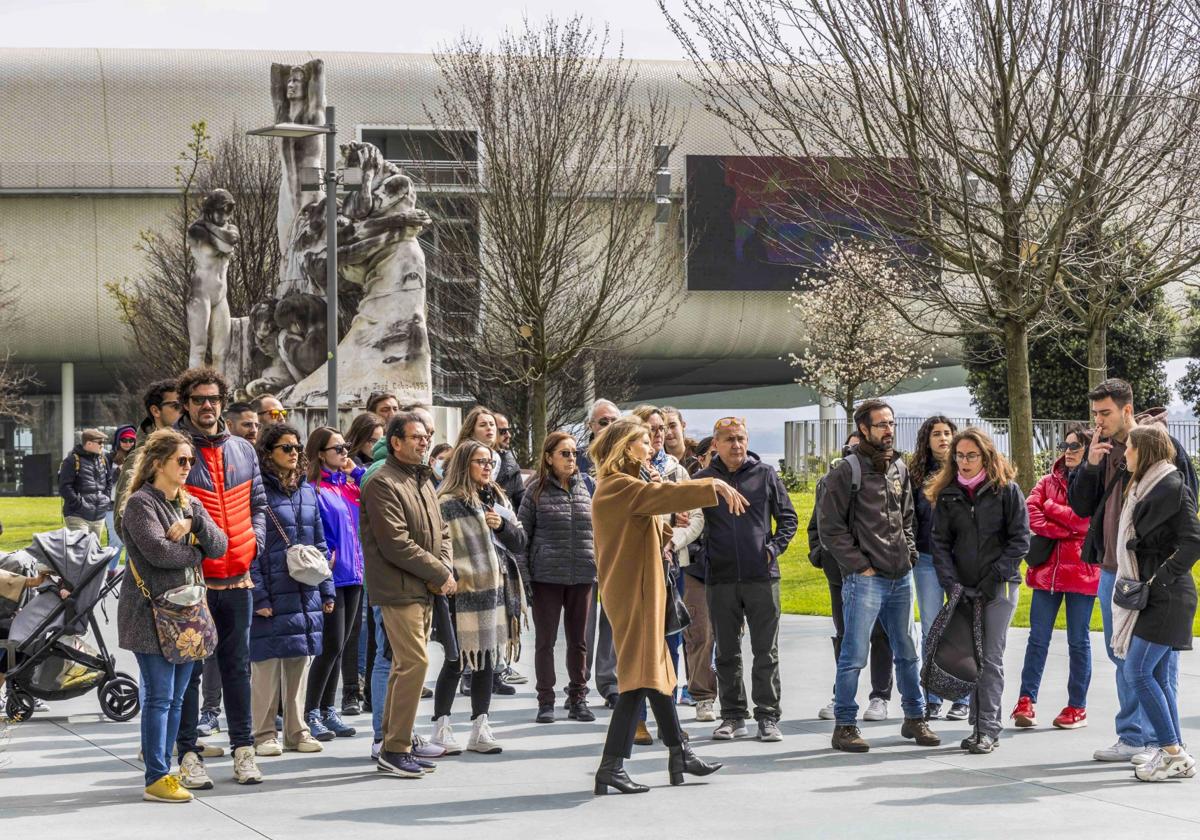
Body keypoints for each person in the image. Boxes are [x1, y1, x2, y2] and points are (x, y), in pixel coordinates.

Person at [589, 417, 736, 795]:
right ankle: (611, 766)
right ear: (625, 448)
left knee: (658, 676)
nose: (650, 446)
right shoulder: (619, 486)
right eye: (641, 441)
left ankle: (679, 753)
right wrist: (711, 483)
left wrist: (668, 518)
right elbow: (656, 500)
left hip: (644, 590)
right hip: (634, 593)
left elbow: (648, 520)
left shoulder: (627, 487)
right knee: (639, 679)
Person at [1068, 378, 1197, 764]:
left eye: (1105, 413)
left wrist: (1164, 570)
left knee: (1156, 663)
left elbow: (1185, 505)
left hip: (1149, 574)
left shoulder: (1159, 448)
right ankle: (1132, 737)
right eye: (1094, 414)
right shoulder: (1101, 451)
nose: (1098, 422)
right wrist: (1090, 464)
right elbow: (1081, 506)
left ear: (1127, 410)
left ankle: (1165, 741)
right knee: (1121, 654)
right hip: (1113, 569)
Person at [819, 399, 939, 753]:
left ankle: (915, 718)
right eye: (881, 424)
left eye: (891, 423)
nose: (888, 430)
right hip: (865, 579)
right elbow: (830, 530)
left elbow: (907, 518)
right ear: (863, 430)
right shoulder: (846, 471)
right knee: (854, 654)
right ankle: (844, 725)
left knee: (907, 651)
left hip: (900, 575)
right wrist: (860, 565)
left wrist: (910, 553)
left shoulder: (900, 467)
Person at [116, 429, 227, 803]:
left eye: (191, 461)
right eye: (181, 460)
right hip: (149, 616)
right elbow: (158, 554)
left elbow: (221, 543)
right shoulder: (140, 505)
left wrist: (194, 527)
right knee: (160, 697)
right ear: (157, 463)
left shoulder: (188, 502)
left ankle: (166, 767)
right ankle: (156, 776)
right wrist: (196, 554)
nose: (188, 467)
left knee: (177, 699)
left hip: (185, 616)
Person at [173, 367, 268, 788]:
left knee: (236, 668)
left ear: (222, 402)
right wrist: (189, 554)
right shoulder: (172, 449)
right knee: (190, 673)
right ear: (186, 404)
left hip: (239, 579)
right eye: (198, 400)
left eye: (213, 399)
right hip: (193, 582)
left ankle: (244, 750)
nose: (207, 406)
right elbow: (155, 509)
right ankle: (188, 754)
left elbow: (260, 504)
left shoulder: (244, 450)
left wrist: (255, 544)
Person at [361, 412, 455, 779]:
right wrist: (439, 572)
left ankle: (393, 744)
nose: (423, 442)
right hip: (397, 590)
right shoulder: (382, 481)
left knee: (406, 666)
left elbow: (441, 531)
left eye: (426, 436)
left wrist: (443, 569)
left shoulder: (424, 479)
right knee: (414, 664)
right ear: (395, 442)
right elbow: (395, 544)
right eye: (415, 436)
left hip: (423, 587)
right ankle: (395, 748)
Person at [694, 416, 797, 743]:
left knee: (766, 651)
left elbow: (789, 519)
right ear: (716, 444)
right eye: (729, 440)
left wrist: (772, 549)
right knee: (726, 652)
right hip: (720, 579)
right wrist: (703, 552)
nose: (736, 445)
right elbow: (687, 522)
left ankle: (767, 717)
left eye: (740, 438)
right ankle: (733, 716)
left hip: (762, 578)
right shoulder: (703, 480)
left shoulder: (765, 475)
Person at [928, 427, 1029, 754]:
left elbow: (1020, 540)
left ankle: (988, 728)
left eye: (971, 455)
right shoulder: (948, 494)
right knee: (971, 656)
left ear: (985, 456)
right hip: (962, 589)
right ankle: (976, 728)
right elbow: (940, 543)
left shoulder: (1006, 490)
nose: (964, 461)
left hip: (998, 587)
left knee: (989, 657)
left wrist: (993, 577)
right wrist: (951, 582)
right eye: (959, 455)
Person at [1112, 424, 1200, 781]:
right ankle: (1174, 752)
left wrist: (1160, 577)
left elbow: (1194, 541)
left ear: (1144, 451)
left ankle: (1173, 753)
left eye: (1129, 448)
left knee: (1137, 671)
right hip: (1153, 592)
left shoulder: (1172, 488)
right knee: (1158, 676)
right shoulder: (1144, 487)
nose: (1124, 454)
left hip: (1168, 595)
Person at [431, 441, 527, 754]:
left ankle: (479, 727)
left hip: (494, 591)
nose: (487, 467)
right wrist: (454, 577)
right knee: (456, 660)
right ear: (463, 464)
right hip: (461, 592)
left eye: (490, 461)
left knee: (487, 660)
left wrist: (502, 527)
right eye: (479, 461)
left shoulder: (496, 497)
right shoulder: (445, 502)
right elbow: (439, 547)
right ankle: (442, 727)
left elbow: (519, 541)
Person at [249, 422, 332, 757]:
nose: (294, 453)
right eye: (286, 448)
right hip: (271, 588)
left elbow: (320, 544)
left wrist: (327, 590)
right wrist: (259, 595)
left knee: (299, 661)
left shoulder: (307, 490)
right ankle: (264, 733)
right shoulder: (257, 491)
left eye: (297, 447)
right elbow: (250, 548)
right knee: (266, 665)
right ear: (268, 452)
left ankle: (297, 730)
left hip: (303, 589)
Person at [1012, 423, 1097, 731]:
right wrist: (1065, 528)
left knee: (1078, 640)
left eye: (1075, 446)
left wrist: (1052, 509)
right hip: (1047, 572)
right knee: (1037, 638)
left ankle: (1077, 707)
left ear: (1088, 449)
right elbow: (1030, 512)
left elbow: (1087, 522)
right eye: (1065, 446)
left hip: (1082, 574)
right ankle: (1026, 701)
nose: (1068, 451)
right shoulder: (1047, 481)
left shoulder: (1095, 483)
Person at [809, 432, 895, 722]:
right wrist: (818, 554)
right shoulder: (829, 481)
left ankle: (880, 696)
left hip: (879, 571)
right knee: (846, 635)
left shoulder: (888, 478)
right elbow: (818, 524)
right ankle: (841, 695)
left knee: (880, 635)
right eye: (853, 447)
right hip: (840, 574)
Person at [517, 431, 596, 724]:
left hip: (582, 575)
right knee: (545, 641)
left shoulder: (587, 485)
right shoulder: (534, 490)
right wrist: (525, 577)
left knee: (579, 642)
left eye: (574, 453)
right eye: (565, 453)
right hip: (546, 577)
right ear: (549, 458)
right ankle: (545, 700)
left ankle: (578, 698)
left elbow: (600, 529)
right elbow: (521, 538)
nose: (572, 459)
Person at [302, 426, 363, 739]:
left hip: (355, 573)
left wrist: (357, 471)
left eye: (346, 447)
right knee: (330, 646)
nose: (344, 453)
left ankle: (328, 710)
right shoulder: (313, 488)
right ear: (320, 453)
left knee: (341, 647)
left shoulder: (350, 485)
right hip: (331, 576)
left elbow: (375, 491)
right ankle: (310, 711)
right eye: (338, 448)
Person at [909, 416, 968, 721]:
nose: (943, 438)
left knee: (961, 629)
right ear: (927, 440)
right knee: (932, 628)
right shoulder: (916, 474)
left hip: (960, 562)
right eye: (936, 434)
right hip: (927, 560)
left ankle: (962, 698)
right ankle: (931, 696)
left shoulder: (965, 472)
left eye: (948, 433)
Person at [579, 398, 622, 706]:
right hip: (583, 550)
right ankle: (578, 686)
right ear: (591, 427)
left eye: (612, 421)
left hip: (616, 550)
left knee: (612, 619)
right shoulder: (577, 460)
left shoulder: (627, 457)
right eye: (602, 422)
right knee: (583, 621)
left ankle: (610, 684)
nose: (608, 427)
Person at [679, 431, 719, 722]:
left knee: (728, 637)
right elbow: (682, 525)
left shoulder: (744, 483)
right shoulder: (690, 487)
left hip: (731, 570)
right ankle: (703, 695)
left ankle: (730, 696)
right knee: (699, 635)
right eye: (712, 455)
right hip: (696, 570)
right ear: (701, 458)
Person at [114, 378, 183, 537]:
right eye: (176, 406)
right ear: (156, 411)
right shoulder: (140, 457)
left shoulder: (193, 450)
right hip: (157, 556)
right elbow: (122, 520)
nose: (183, 411)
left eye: (185, 405)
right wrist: (161, 551)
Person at [58, 428, 113, 540]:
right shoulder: (71, 460)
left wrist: (105, 499)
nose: (102, 446)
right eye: (100, 442)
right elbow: (64, 487)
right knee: (81, 551)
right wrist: (79, 503)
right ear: (89, 443)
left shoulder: (103, 459)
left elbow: (109, 481)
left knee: (93, 552)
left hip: (98, 516)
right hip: (78, 516)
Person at [104, 425, 137, 579]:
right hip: (112, 505)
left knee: (132, 540)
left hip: (133, 505)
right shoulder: (109, 458)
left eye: (131, 440)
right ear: (118, 440)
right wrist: (119, 471)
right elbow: (105, 481)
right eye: (124, 440)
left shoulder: (139, 457)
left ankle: (130, 573)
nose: (128, 443)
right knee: (116, 540)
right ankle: (111, 570)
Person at [493, 412, 527, 510]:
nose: (509, 435)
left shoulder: (511, 465)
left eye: (508, 430)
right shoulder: (464, 461)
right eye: (503, 431)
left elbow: (522, 502)